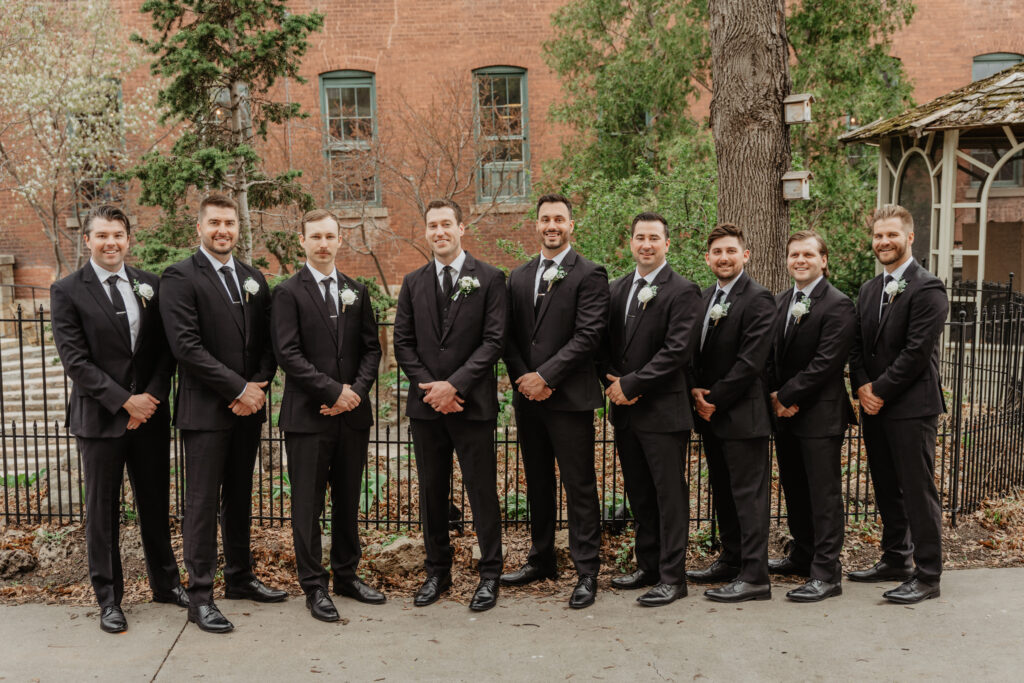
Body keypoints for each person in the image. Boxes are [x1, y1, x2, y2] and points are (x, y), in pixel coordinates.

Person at [50, 204, 186, 633]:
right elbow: (76, 361)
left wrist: (150, 398)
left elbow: (166, 351)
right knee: (102, 511)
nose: (111, 242)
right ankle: (109, 598)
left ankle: (166, 584)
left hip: (148, 417)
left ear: (129, 239)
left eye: (118, 235)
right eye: (102, 235)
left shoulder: (150, 284)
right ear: (87, 240)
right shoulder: (67, 290)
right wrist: (124, 402)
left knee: (154, 504)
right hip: (101, 418)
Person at [160, 193, 284, 633]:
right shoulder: (178, 278)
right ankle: (200, 596)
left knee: (239, 497)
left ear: (238, 228)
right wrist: (238, 389)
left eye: (229, 223)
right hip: (206, 411)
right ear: (199, 228)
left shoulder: (252, 277)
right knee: (201, 503)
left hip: (248, 409)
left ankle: (240, 577)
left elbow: (269, 343)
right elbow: (186, 347)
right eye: (214, 223)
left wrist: (258, 386)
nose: (222, 231)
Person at [393, 198, 507, 612]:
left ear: (462, 228)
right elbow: (402, 343)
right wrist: (431, 389)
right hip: (427, 408)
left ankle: (489, 574)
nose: (439, 232)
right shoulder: (413, 281)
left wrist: (454, 386)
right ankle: (436, 571)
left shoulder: (491, 279)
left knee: (481, 491)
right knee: (432, 491)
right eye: (432, 225)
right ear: (426, 232)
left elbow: (494, 341)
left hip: (471, 405)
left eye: (446, 224)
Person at [271, 209, 384, 622]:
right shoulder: (287, 293)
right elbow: (288, 354)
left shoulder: (357, 290)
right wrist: (333, 391)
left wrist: (354, 394)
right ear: (302, 241)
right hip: (308, 417)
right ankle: (314, 585)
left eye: (330, 236)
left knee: (348, 500)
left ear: (340, 240)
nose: (323, 243)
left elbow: (372, 349)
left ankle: (347, 575)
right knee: (307, 504)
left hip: (351, 416)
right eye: (315, 236)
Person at [501, 193, 608, 609]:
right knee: (538, 483)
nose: (551, 225)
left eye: (559, 219)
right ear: (537, 224)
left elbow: (589, 335)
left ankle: (586, 570)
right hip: (529, 401)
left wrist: (546, 377)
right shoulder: (519, 276)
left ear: (570, 225)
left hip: (570, 399)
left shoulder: (590, 274)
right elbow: (508, 337)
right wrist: (525, 381)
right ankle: (541, 557)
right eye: (545, 218)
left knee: (579, 485)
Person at [848, 204, 948, 604]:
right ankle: (895, 559)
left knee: (917, 490)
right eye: (878, 235)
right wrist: (861, 387)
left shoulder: (928, 288)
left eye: (891, 234)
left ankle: (928, 575)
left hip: (911, 406)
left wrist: (879, 391)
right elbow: (855, 345)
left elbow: (915, 352)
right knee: (887, 486)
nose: (883, 241)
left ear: (909, 237)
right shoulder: (869, 289)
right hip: (874, 405)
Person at [603, 212, 702, 607]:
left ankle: (673, 576)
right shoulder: (616, 288)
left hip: (663, 412)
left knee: (668, 495)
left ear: (667, 244)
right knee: (640, 494)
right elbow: (603, 345)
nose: (646, 244)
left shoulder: (683, 290)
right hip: (625, 412)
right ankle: (647, 565)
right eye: (640, 237)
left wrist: (632, 385)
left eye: (654, 238)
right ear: (631, 242)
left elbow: (677, 351)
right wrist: (612, 385)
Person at [686, 223, 776, 603]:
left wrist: (714, 398)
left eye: (730, 251)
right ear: (708, 258)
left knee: (748, 496)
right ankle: (731, 558)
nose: (724, 257)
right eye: (717, 252)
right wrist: (694, 390)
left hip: (742, 415)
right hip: (712, 416)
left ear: (745, 255)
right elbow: (692, 351)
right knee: (723, 492)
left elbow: (750, 362)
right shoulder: (704, 297)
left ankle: (755, 575)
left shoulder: (759, 299)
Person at [766, 230, 856, 602]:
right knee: (795, 489)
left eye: (807, 254)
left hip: (819, 415)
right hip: (784, 414)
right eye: (794, 255)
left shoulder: (838, 304)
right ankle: (802, 555)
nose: (799, 260)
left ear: (824, 260)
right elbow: (770, 354)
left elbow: (826, 362)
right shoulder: (782, 300)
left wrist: (787, 396)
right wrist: (775, 397)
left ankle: (827, 572)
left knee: (823, 495)